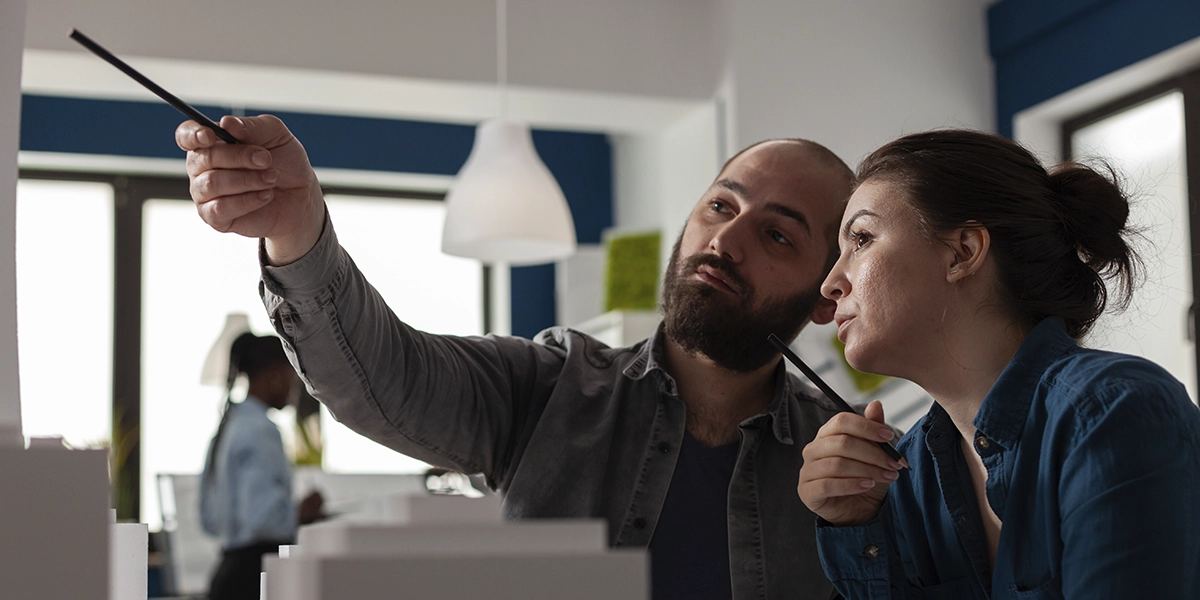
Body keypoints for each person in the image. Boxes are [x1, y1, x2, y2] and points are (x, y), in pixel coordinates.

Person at [177, 114, 853, 599]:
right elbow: (386, 377)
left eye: (775, 235)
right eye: (719, 205)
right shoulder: (551, 387)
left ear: (828, 295)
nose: (725, 241)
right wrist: (297, 229)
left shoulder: (854, 470)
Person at [797, 129, 1200, 598]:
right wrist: (856, 524)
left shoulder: (1113, 413)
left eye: (862, 239)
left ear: (962, 251)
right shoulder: (907, 478)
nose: (830, 284)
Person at [200, 332, 325, 600]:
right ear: (274, 375)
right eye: (293, 375)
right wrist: (300, 513)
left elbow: (208, 517)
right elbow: (260, 517)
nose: (295, 387)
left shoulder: (229, 425)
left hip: (228, 572)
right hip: (252, 576)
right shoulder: (261, 430)